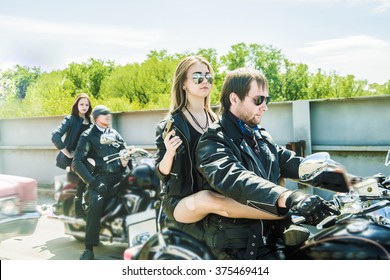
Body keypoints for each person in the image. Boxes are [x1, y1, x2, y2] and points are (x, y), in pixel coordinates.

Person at [195, 67, 339, 260]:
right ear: (234, 99)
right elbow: (236, 178)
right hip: (240, 250)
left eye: (267, 100)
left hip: (274, 237)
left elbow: (291, 162)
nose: (265, 107)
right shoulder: (213, 141)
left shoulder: (258, 134)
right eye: (259, 100)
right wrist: (291, 197)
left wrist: (349, 180)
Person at [155, 57, 285, 243]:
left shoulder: (217, 120)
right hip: (183, 200)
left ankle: (278, 211)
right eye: (198, 77)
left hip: (216, 191)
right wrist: (169, 153)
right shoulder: (170, 125)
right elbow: (161, 173)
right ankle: (284, 214)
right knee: (208, 198)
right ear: (183, 83)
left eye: (209, 76)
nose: (205, 81)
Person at [72, 105, 130, 260]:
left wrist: (128, 161)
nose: (108, 115)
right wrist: (92, 182)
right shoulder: (88, 135)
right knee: (96, 202)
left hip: (119, 175)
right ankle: (88, 248)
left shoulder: (114, 134)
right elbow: (76, 162)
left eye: (108, 113)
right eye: (103, 114)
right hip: (100, 178)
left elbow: (125, 151)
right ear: (96, 117)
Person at [51, 93, 92, 219]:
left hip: (88, 158)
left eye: (86, 104)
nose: (84, 106)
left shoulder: (91, 122)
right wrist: (68, 154)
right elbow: (55, 136)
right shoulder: (70, 119)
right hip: (74, 160)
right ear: (76, 105)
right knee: (79, 183)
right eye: (81, 104)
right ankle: (77, 212)